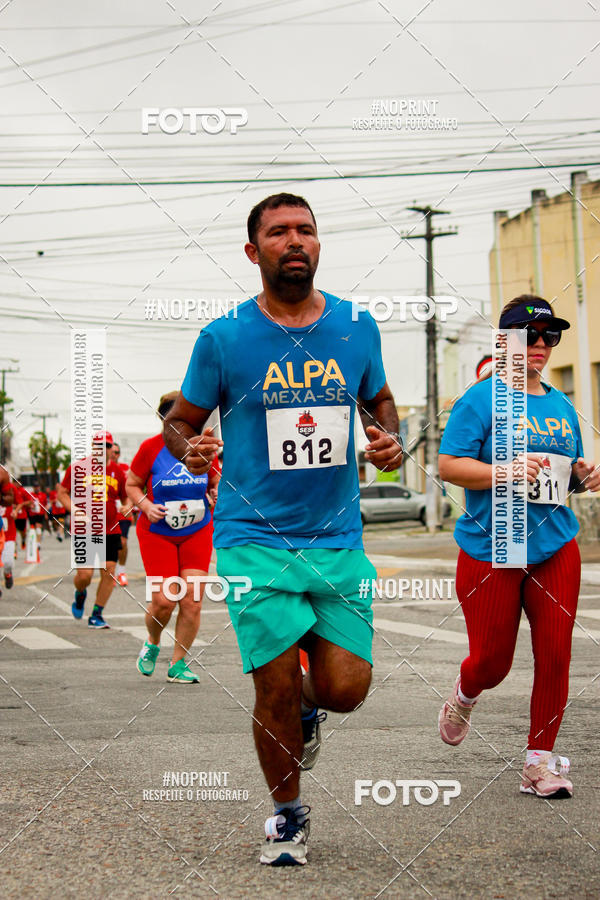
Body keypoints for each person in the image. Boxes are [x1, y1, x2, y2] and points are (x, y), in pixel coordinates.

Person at [163, 193, 403, 865]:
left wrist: (388, 434)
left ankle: (308, 705)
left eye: (306, 230)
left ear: (318, 246)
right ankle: (288, 816)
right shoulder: (224, 338)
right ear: (254, 252)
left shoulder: (357, 326)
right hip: (252, 538)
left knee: (345, 691)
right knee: (269, 686)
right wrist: (187, 447)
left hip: (336, 537)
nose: (294, 241)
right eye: (278, 232)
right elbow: (181, 417)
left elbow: (378, 398)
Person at [438, 295, 600, 799]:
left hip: (555, 546)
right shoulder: (478, 401)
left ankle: (538, 763)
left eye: (549, 337)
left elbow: (558, 473)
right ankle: (465, 695)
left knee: (555, 655)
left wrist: (581, 476)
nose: (540, 346)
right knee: (493, 662)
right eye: (529, 336)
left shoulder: (560, 405)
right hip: (493, 546)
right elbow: (448, 466)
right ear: (503, 341)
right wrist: (500, 472)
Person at [126, 392, 220, 683]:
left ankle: (178, 663)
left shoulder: (203, 448)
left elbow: (215, 480)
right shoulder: (150, 448)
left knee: (192, 601)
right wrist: (145, 505)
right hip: (157, 533)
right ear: (166, 420)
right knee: (165, 601)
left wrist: (215, 492)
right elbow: (132, 484)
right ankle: (153, 642)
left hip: (197, 530)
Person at [57, 431, 127, 628]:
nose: (103, 449)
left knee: (109, 571)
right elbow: (62, 493)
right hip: (84, 530)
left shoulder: (117, 471)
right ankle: (80, 594)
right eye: (99, 445)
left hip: (110, 530)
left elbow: (126, 496)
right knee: (85, 576)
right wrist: (75, 509)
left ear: (111, 448)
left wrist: (126, 506)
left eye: (107, 445)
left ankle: (97, 613)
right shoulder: (78, 467)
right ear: (92, 446)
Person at [109, 442, 133, 586]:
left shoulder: (125, 469)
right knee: (110, 544)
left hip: (123, 511)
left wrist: (129, 504)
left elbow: (133, 486)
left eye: (117, 452)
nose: (114, 455)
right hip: (108, 513)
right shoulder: (101, 470)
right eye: (113, 452)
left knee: (123, 542)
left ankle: (122, 571)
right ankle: (111, 572)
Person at [0, 481, 19, 589]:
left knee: (8, 563)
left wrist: (16, 511)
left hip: (9, 532)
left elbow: (19, 502)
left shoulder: (11, 488)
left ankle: (7, 574)